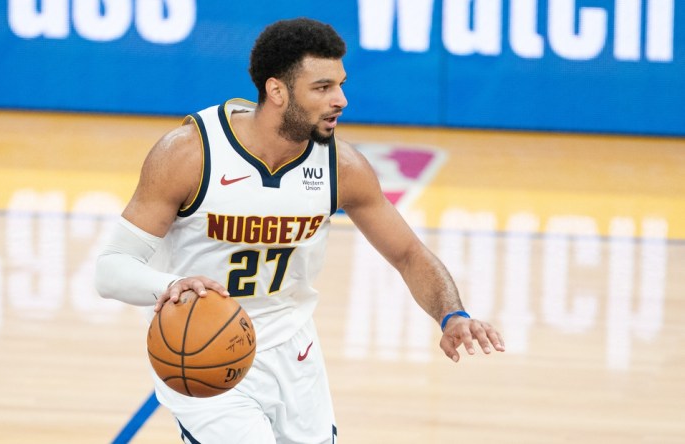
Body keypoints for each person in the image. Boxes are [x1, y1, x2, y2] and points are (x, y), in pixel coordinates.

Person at [95, 17, 504, 444]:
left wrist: (451, 313)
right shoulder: (190, 155)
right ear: (277, 91)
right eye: (323, 87)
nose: (341, 100)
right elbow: (111, 269)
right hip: (200, 344)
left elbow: (408, 254)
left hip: (294, 347)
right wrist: (174, 284)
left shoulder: (341, 167)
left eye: (341, 85)